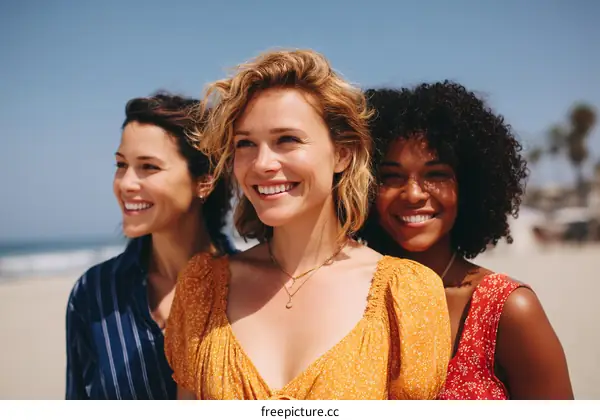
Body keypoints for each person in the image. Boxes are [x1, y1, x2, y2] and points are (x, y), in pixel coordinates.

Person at [163, 49, 452, 400]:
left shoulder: (408, 294)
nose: (263, 163)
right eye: (246, 144)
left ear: (342, 153)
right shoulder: (201, 289)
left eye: (287, 140)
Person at [360, 82, 574, 399]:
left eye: (436, 174)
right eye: (391, 177)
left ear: (470, 187)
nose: (414, 194)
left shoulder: (508, 310)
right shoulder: (344, 298)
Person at [65, 92, 237, 399]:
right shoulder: (94, 292)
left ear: (204, 181)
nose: (126, 183)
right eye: (121, 165)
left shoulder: (252, 290)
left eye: (149, 167)